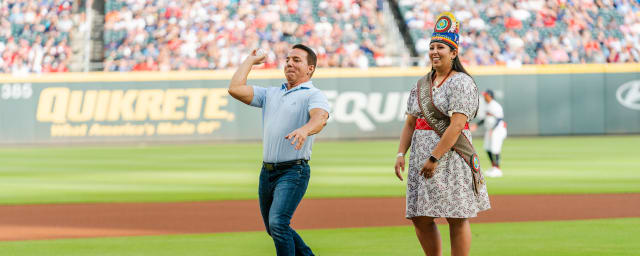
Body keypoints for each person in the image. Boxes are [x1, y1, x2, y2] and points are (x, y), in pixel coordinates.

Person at [394, 12, 491, 256]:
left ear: (454, 53)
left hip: (451, 158)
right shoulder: (420, 85)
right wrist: (400, 154)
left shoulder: (462, 82)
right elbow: (410, 123)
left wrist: (435, 157)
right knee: (420, 216)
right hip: (421, 156)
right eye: (432, 47)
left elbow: (457, 125)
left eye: (441, 47)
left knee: (455, 216)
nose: (435, 51)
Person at [227, 44, 330, 256]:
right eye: (288, 59)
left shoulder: (313, 94)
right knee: (273, 227)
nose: (290, 63)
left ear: (310, 68)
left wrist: (305, 129)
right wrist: (250, 61)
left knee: (278, 223)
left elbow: (320, 118)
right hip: (267, 172)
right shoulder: (271, 93)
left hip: (293, 171)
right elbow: (235, 88)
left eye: (297, 60)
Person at [471, 89, 507, 177]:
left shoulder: (495, 106)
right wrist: (476, 125)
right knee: (487, 148)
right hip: (490, 129)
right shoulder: (486, 105)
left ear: (490, 96)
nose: (484, 96)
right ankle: (493, 167)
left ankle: (498, 169)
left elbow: (499, 119)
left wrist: (493, 129)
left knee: (495, 148)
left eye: (486, 95)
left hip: (497, 129)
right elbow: (484, 119)